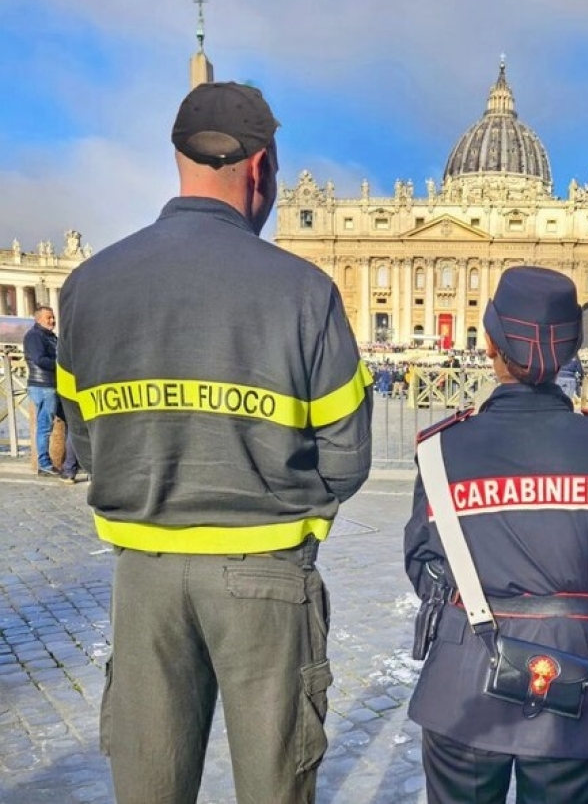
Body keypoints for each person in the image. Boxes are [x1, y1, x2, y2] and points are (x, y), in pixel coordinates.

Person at [57, 82, 373, 804]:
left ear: (178, 157)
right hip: (265, 572)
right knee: (273, 788)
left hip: (144, 577)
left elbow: (86, 443)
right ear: (261, 167)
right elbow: (347, 457)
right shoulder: (303, 291)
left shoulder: (87, 287)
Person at [404, 266, 588, 804]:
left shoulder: (443, 447)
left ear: (490, 343)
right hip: (571, 670)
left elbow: (423, 563)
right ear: (571, 350)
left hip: (462, 679)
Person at [23, 306, 61, 475]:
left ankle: (69, 461)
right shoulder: (35, 336)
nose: (52, 320)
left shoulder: (49, 336)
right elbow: (40, 359)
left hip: (50, 385)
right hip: (43, 386)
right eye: (49, 318)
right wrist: (60, 365)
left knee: (55, 423)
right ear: (38, 319)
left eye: (53, 317)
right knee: (45, 426)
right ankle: (44, 464)